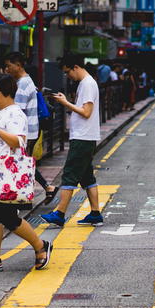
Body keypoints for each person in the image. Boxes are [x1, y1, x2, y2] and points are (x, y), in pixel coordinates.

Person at [0, 74, 52, 273]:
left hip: (3, 174)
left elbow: (19, 141)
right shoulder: (1, 112)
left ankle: (41, 246)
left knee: (8, 217)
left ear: (6, 92)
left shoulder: (15, 113)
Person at [41, 53, 103, 227]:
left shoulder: (88, 84)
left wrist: (65, 103)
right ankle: (95, 213)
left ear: (76, 67)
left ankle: (59, 213)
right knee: (87, 177)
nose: (68, 76)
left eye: (68, 72)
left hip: (83, 137)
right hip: (84, 136)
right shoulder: (86, 83)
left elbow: (86, 112)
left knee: (69, 175)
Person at [4, 52, 56, 201]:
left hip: (25, 132)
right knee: (24, 162)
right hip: (30, 130)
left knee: (21, 163)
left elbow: (17, 110)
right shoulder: (26, 81)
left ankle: (22, 197)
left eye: (9, 66)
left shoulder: (23, 83)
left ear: (18, 65)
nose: (7, 69)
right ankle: (46, 188)